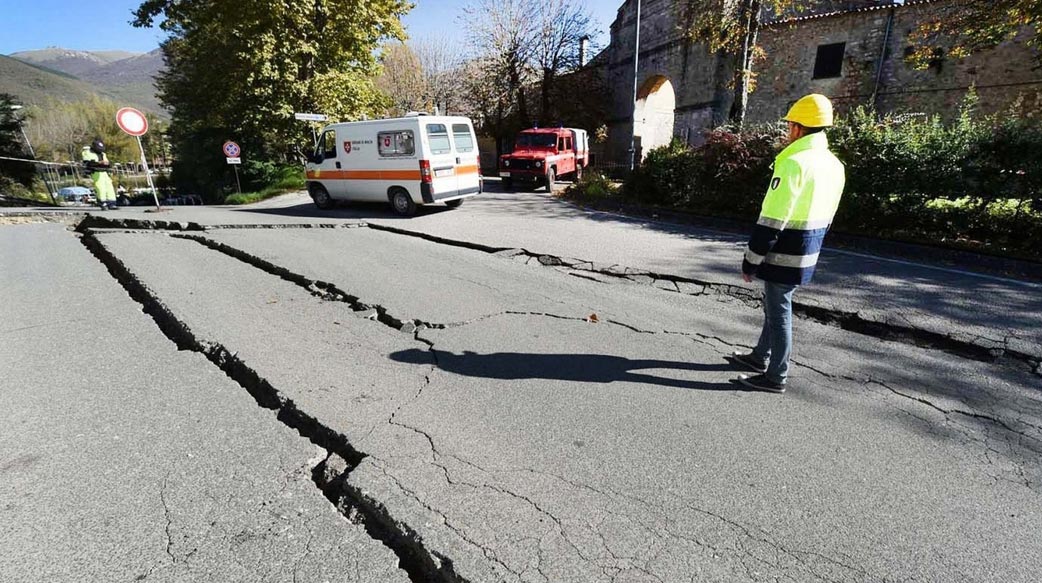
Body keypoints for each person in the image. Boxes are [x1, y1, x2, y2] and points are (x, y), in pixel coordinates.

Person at [730, 94, 846, 393]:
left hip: (784, 250)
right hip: (809, 247)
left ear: (797, 128)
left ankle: (775, 375)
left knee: (779, 311)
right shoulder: (834, 165)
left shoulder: (794, 163)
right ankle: (759, 357)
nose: (787, 131)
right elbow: (830, 214)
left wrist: (751, 260)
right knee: (775, 305)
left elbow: (772, 218)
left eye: (789, 125)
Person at [82, 138, 117, 210]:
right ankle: (102, 203)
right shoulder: (88, 152)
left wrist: (108, 164)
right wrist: (99, 163)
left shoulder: (103, 154)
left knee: (109, 186)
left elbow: (108, 163)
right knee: (100, 187)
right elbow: (88, 163)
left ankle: (111, 203)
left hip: (104, 172)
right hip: (96, 172)